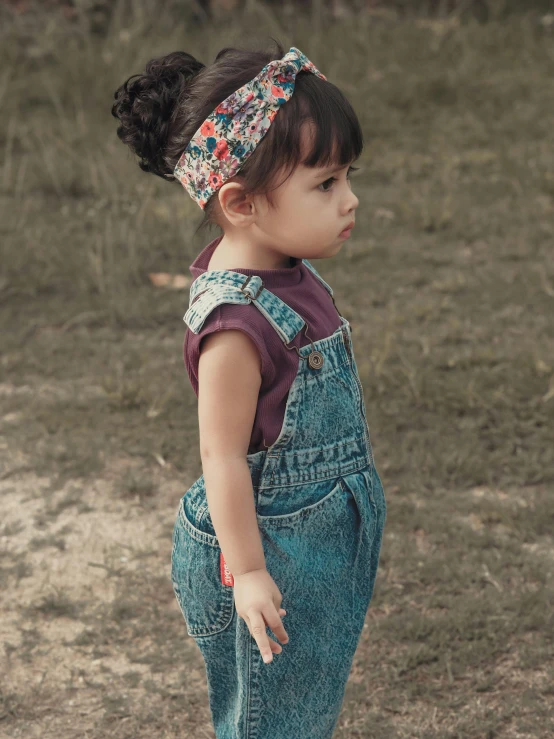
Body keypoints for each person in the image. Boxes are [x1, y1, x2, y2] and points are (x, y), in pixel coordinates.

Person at [112, 39, 387, 739]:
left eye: (347, 176)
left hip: (312, 538)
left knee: (300, 707)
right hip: (270, 547)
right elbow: (223, 457)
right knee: (274, 722)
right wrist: (252, 571)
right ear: (240, 203)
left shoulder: (281, 265)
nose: (350, 199)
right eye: (326, 184)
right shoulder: (235, 325)